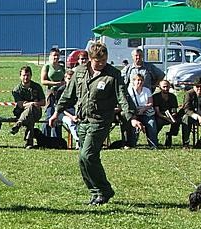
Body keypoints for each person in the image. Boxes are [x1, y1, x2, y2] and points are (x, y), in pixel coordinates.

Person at [49, 41, 142, 205]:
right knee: (83, 160)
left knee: (88, 155)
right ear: (90, 59)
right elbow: (68, 95)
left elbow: (123, 97)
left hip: (100, 121)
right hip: (82, 121)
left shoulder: (113, 75)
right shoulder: (79, 72)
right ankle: (95, 192)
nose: (101, 64)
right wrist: (56, 112)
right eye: (98, 62)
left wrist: (132, 117)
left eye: (104, 61)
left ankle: (104, 190)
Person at [10, 66, 45, 148]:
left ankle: (19, 124)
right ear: (20, 76)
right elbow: (20, 105)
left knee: (31, 111)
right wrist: (32, 103)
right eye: (23, 75)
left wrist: (29, 104)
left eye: (28, 75)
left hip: (37, 112)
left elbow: (43, 102)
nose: (26, 77)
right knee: (30, 116)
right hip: (21, 113)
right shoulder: (16, 90)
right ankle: (29, 143)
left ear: (31, 76)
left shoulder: (37, 87)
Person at [126, 73, 158, 148]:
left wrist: (144, 108)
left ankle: (153, 145)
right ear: (133, 81)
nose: (139, 82)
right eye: (138, 80)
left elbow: (150, 103)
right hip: (134, 113)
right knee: (134, 126)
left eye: (141, 80)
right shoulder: (129, 91)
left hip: (146, 112)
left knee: (152, 123)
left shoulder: (147, 90)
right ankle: (132, 144)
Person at [40, 48, 65, 138]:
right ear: (50, 56)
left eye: (57, 55)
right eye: (54, 55)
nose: (56, 57)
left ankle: (56, 138)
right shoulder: (47, 66)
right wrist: (55, 83)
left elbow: (65, 78)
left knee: (58, 114)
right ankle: (45, 136)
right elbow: (43, 81)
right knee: (49, 114)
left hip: (61, 93)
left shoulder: (62, 67)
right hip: (51, 93)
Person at [181, 78, 201, 148]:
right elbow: (187, 109)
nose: (199, 89)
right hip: (194, 117)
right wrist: (198, 117)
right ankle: (186, 143)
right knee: (186, 118)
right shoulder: (189, 94)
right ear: (193, 87)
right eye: (197, 86)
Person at [152, 79, 180, 147]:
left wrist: (172, 116)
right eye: (164, 87)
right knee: (159, 122)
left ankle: (170, 135)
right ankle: (154, 139)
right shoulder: (156, 97)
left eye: (167, 86)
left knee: (178, 121)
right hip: (159, 116)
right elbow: (157, 112)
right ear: (160, 87)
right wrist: (167, 118)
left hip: (170, 115)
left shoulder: (172, 96)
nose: (166, 88)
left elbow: (174, 110)